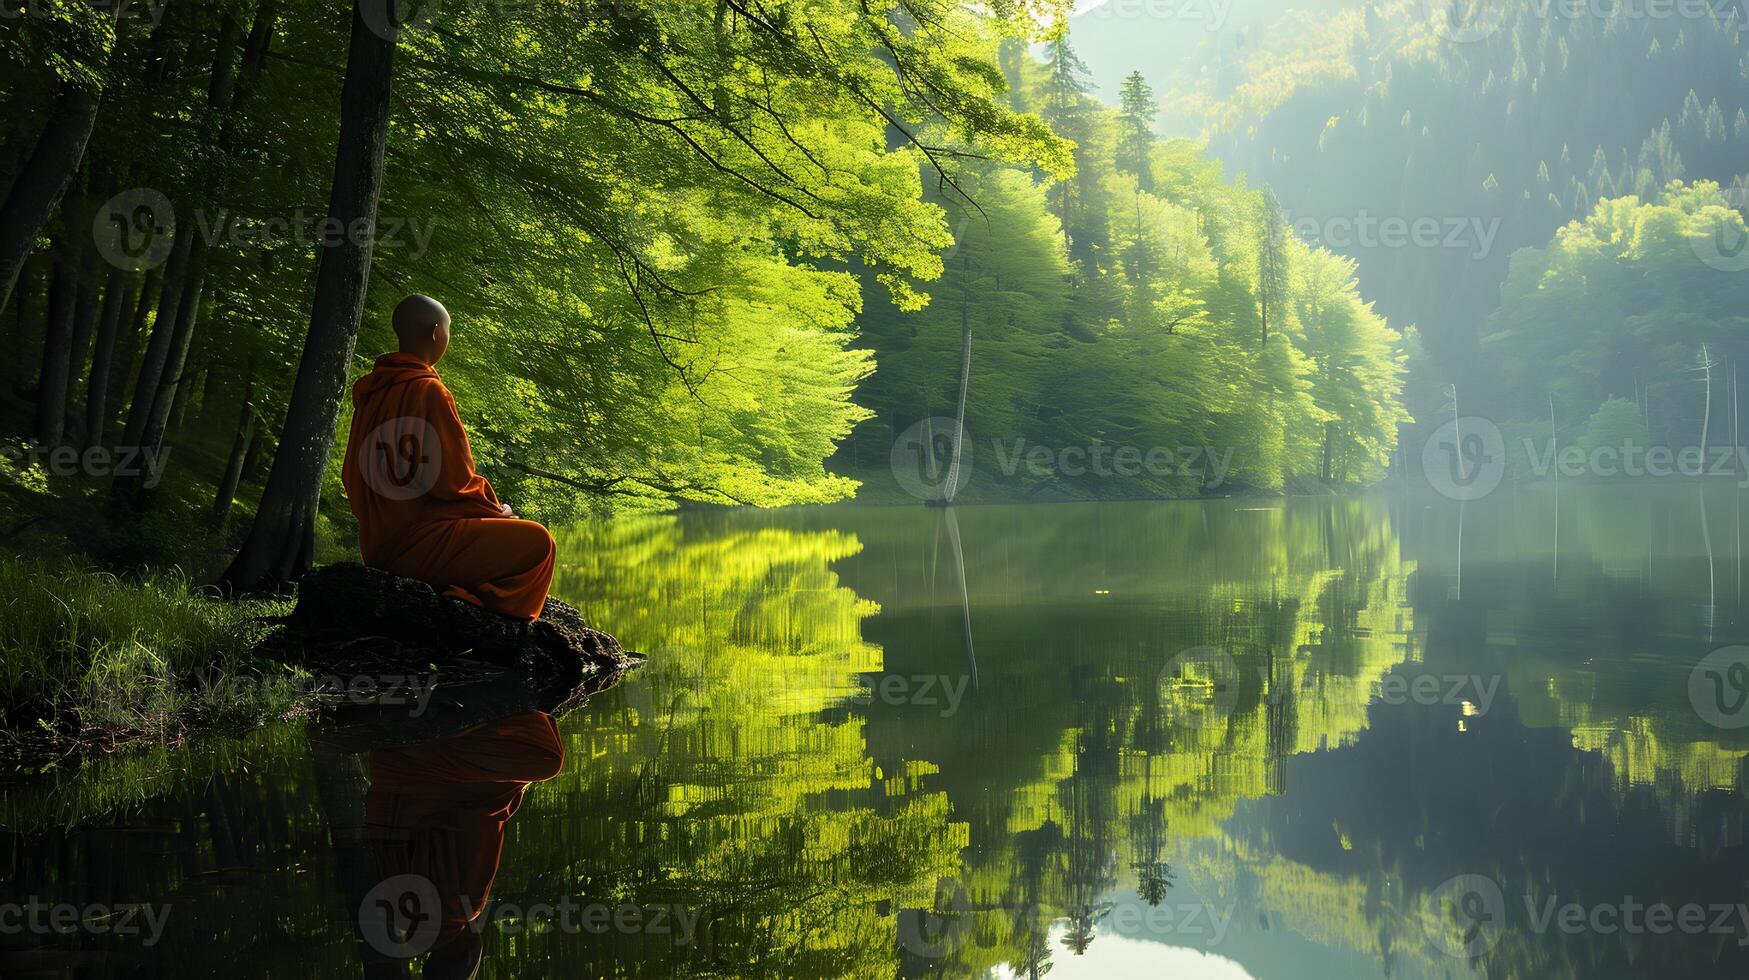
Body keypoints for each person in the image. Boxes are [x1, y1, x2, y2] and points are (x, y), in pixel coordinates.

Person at [341, 294, 555, 620]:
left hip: (377, 547)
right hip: (418, 546)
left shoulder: (371, 394)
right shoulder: (430, 391)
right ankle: (480, 603)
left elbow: (352, 476)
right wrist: (497, 512)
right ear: (434, 333)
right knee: (541, 543)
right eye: (448, 330)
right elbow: (453, 483)